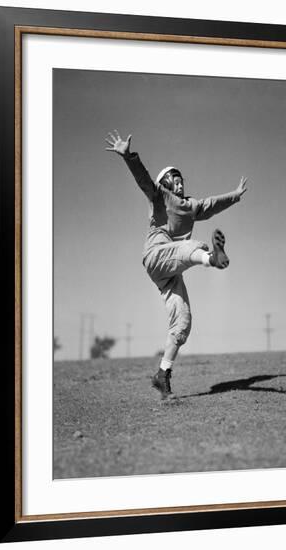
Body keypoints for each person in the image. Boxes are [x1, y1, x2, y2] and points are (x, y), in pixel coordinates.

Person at [105, 130, 248, 399]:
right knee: (193, 248)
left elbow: (213, 204)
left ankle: (162, 375)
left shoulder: (192, 206)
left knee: (182, 322)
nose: (180, 183)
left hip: (172, 269)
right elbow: (143, 179)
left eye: (182, 179)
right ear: (167, 182)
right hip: (157, 254)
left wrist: (236, 195)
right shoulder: (159, 196)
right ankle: (211, 258)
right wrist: (128, 156)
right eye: (176, 179)